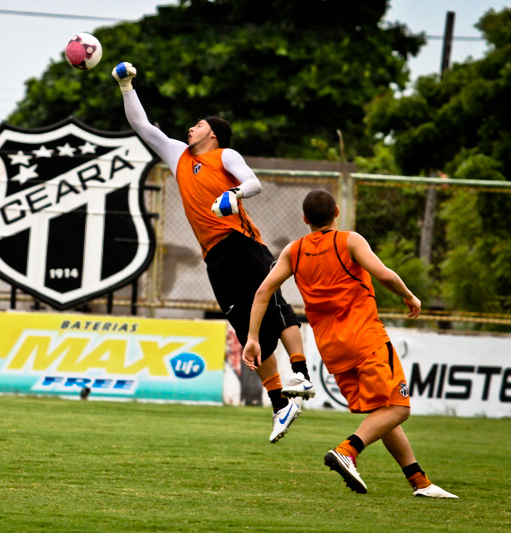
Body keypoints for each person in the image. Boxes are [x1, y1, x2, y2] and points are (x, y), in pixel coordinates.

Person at [112, 62, 314, 443]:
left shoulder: (224, 156)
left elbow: (253, 182)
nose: (191, 128)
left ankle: (301, 374)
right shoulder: (179, 156)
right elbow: (142, 126)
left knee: (273, 305)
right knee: (245, 327)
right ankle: (280, 405)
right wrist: (126, 86)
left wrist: (233, 195)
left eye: (198, 124)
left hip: (242, 242)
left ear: (213, 134)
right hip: (215, 258)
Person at [241, 189, 458, 498]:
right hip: (365, 338)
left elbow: (263, 291)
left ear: (305, 219)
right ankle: (347, 451)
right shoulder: (349, 241)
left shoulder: (294, 251)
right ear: (337, 213)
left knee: (382, 411)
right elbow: (384, 275)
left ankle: (419, 481)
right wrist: (409, 296)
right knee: (398, 408)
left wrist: (252, 338)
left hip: (331, 348)